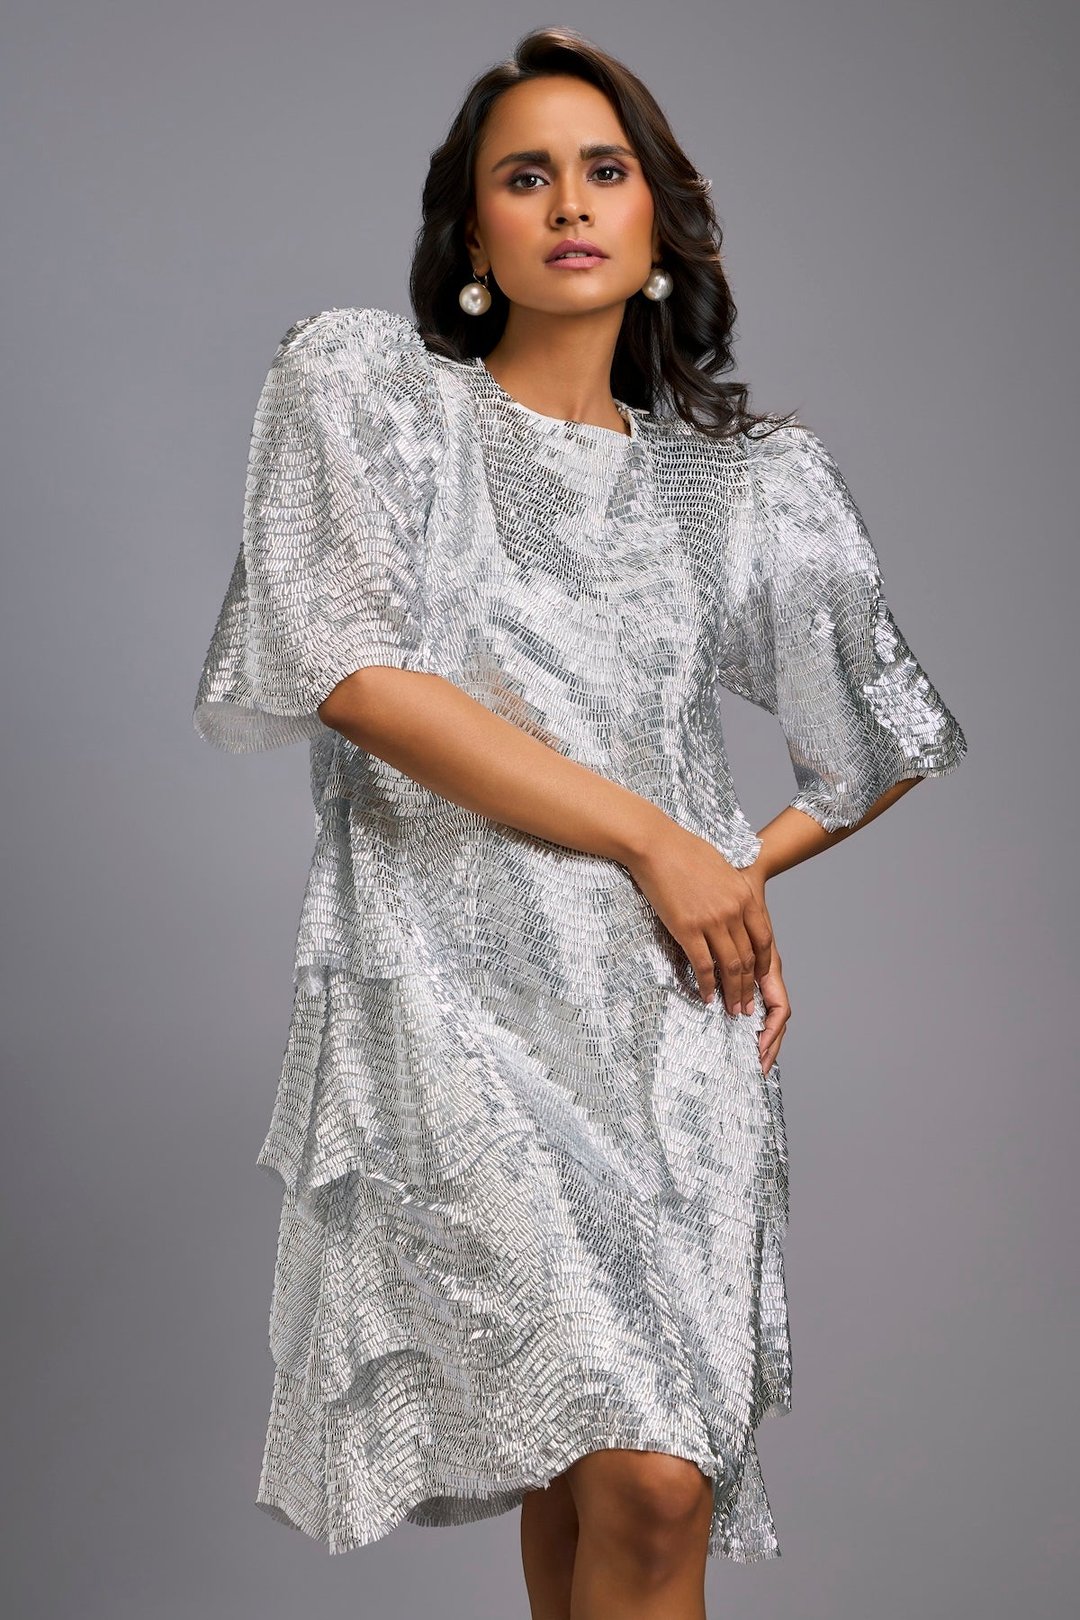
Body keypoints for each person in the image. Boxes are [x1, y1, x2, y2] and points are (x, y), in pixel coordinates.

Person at [192, 25, 968, 1620]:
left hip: (665, 1018)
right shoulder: (373, 398)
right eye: (524, 175)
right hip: (452, 1006)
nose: (567, 203)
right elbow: (353, 675)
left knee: (635, 1484)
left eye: (605, 170)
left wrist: (727, 878)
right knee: (620, 1471)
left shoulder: (744, 485)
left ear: (658, 219)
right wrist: (655, 839)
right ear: (471, 236)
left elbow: (882, 733)